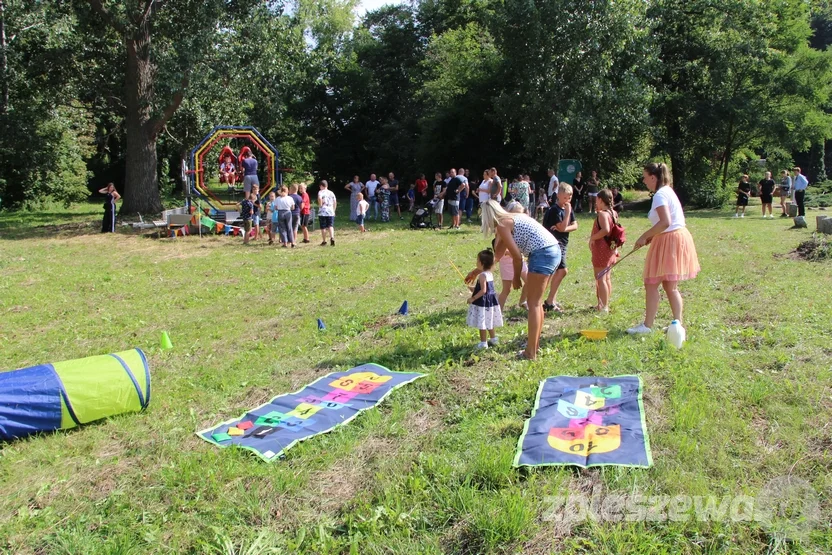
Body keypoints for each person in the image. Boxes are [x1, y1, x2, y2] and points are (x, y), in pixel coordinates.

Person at [481, 200, 561, 360]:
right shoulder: (510, 219)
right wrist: (477, 271)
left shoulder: (503, 224)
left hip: (543, 253)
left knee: (534, 304)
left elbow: (517, 257)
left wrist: (516, 278)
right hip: (552, 250)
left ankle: (530, 353)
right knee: (536, 304)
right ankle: (534, 347)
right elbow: (497, 256)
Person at [627, 162, 700, 335]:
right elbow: (669, 222)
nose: (644, 181)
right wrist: (652, 236)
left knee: (651, 283)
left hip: (669, 240)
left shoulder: (660, 194)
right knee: (670, 285)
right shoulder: (668, 191)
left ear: (653, 177)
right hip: (675, 237)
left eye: (645, 177)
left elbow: (665, 222)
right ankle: (677, 324)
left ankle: (647, 326)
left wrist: (645, 235)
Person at [543, 184, 578, 312]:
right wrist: (567, 214)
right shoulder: (555, 211)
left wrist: (564, 227)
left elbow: (575, 226)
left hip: (563, 243)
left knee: (557, 272)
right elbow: (562, 227)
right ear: (558, 195)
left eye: (569, 198)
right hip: (554, 244)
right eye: (565, 198)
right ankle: (549, 301)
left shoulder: (566, 208)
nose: (567, 201)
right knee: (562, 271)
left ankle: (551, 301)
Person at [466, 249, 504, 350]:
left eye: (477, 260)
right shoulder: (489, 274)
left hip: (482, 303)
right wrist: (474, 289)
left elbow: (483, 291)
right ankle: (493, 339)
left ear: (482, 263)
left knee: (482, 323)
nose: (476, 262)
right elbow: (488, 289)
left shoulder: (482, 275)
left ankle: (483, 343)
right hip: (490, 302)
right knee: (489, 321)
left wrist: (472, 298)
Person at [589, 189, 618, 313]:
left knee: (600, 278)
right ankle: (602, 304)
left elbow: (605, 230)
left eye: (597, 199)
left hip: (602, 250)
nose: (596, 202)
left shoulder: (602, 214)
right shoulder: (613, 213)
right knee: (606, 278)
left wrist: (592, 238)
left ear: (600, 200)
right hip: (610, 249)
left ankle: (604, 306)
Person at [496, 204, 529, 310]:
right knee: (507, 289)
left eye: (521, 213)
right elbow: (497, 248)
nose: (519, 216)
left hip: (519, 260)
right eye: (517, 213)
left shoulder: (520, 228)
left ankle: (522, 301)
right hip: (507, 262)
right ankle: (498, 311)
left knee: (529, 281)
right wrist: (511, 253)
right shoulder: (503, 227)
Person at [317, 180, 337, 246]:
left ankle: (324, 241)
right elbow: (335, 202)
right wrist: (334, 210)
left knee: (323, 227)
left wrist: (320, 205)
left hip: (323, 212)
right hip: (330, 211)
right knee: (330, 225)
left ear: (321, 186)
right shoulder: (331, 193)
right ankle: (332, 237)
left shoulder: (320, 192)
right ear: (327, 186)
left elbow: (320, 199)